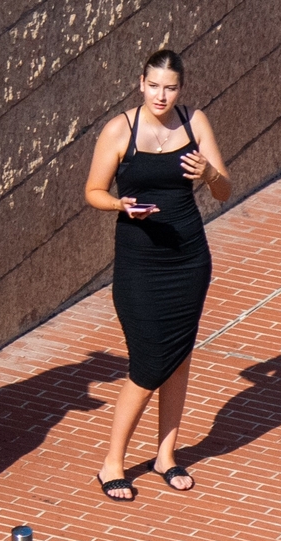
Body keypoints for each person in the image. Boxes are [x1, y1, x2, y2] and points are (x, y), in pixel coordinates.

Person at [83, 49, 229, 501]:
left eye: (170, 87)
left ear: (180, 89)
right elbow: (93, 191)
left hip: (189, 259)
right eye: (153, 86)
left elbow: (225, 190)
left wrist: (207, 173)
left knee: (179, 356)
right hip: (139, 263)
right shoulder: (119, 130)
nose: (161, 95)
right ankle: (112, 462)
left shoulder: (194, 123)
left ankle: (166, 456)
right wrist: (120, 205)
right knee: (148, 363)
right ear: (140, 82)